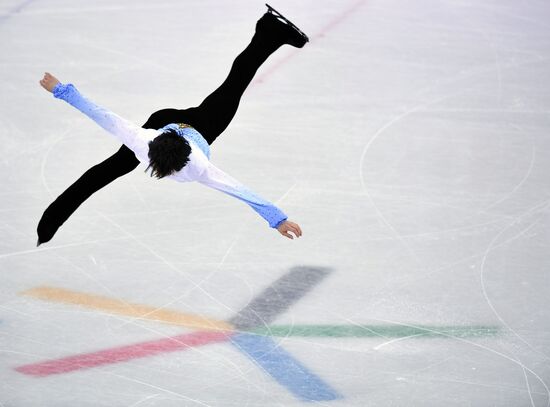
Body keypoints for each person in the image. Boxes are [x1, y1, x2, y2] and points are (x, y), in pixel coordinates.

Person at [37, 5, 307, 245]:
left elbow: (241, 191)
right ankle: (50, 222)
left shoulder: (198, 167)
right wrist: (59, 89)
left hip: (202, 127)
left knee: (236, 83)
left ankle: (270, 29)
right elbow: (100, 114)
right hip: (164, 122)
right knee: (104, 172)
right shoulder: (141, 140)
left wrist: (278, 220)